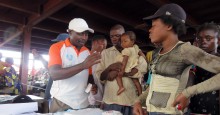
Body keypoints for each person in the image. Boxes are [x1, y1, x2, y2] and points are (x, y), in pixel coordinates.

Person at [133, 3, 220, 115]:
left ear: (169, 25)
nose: (150, 30)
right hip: (152, 112)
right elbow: (155, 84)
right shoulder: (156, 54)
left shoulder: (185, 50)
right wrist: (138, 101)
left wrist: (188, 92)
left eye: (154, 26)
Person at [48, 18, 100, 113]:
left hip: (83, 103)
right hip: (62, 102)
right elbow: (54, 74)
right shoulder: (57, 47)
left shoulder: (87, 52)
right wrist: (83, 65)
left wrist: (92, 86)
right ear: (70, 32)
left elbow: (89, 76)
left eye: (86, 34)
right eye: (80, 33)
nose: (84, 37)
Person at [95, 24, 147, 115]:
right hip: (111, 102)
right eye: (112, 36)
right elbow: (99, 76)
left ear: (125, 35)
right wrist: (109, 69)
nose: (114, 38)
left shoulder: (136, 52)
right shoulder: (106, 53)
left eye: (118, 36)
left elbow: (143, 69)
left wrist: (123, 73)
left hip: (132, 102)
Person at [175, 23, 220, 115]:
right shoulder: (192, 62)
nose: (203, 41)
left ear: (218, 41)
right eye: (199, 38)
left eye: (208, 38)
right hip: (193, 108)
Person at [32, 33, 69, 100]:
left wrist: (40, 57)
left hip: (57, 96)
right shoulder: (71, 56)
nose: (56, 44)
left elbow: (50, 68)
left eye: (58, 42)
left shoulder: (62, 54)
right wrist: (40, 57)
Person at [115, 31, 143, 96]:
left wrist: (122, 70)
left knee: (117, 75)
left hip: (128, 67)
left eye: (125, 41)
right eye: (121, 42)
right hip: (134, 66)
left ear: (132, 41)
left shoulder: (126, 50)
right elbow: (142, 54)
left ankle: (121, 87)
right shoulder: (135, 47)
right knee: (136, 81)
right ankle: (140, 94)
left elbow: (125, 61)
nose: (122, 43)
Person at [88, 35, 107, 108]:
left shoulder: (102, 59)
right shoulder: (87, 57)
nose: (105, 48)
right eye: (103, 45)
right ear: (95, 43)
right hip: (89, 101)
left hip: (101, 100)